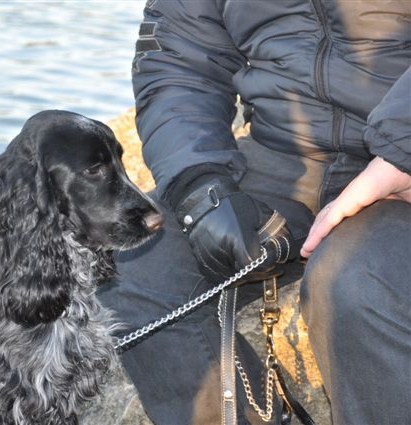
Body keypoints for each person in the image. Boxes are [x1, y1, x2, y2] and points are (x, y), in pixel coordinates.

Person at [97, 1, 411, 424]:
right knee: (133, 268)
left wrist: (401, 152)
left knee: (357, 282)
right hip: (279, 155)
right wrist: (199, 183)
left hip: (398, 160)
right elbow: (178, 57)